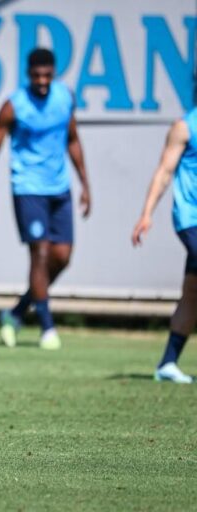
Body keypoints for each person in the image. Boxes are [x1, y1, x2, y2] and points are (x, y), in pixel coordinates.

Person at [0, 48, 91, 350]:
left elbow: (73, 140)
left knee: (62, 258)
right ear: (29, 75)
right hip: (27, 188)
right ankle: (47, 327)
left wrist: (85, 185)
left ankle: (15, 313)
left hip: (60, 188)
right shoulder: (13, 106)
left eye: (47, 75)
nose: (42, 80)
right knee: (39, 254)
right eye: (37, 75)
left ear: (54, 73)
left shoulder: (65, 98)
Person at [132, 109, 197, 384]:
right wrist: (146, 213)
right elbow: (164, 172)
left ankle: (168, 363)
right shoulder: (185, 126)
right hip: (191, 217)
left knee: (192, 291)